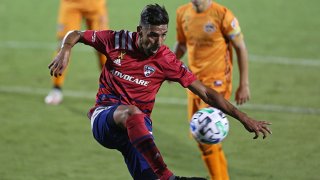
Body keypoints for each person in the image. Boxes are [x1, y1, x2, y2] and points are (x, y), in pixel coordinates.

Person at [48, 4, 271, 180]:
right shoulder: (117, 40)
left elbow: (206, 93)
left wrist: (243, 118)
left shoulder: (166, 60)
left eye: (163, 35)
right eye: (153, 35)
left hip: (137, 132)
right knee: (132, 113)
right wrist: (65, 49)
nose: (159, 41)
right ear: (139, 31)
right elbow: (75, 33)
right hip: (105, 118)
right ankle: (167, 175)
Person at [174, 0, 251, 179]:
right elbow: (182, 44)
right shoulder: (182, 13)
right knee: (202, 138)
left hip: (218, 84)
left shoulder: (223, 15)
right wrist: (171, 65)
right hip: (192, 83)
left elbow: (240, 47)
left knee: (206, 135)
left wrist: (244, 84)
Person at [45, 0, 109, 105]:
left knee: (103, 46)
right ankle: (56, 88)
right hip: (70, 4)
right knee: (64, 44)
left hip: (95, 4)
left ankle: (112, 88)